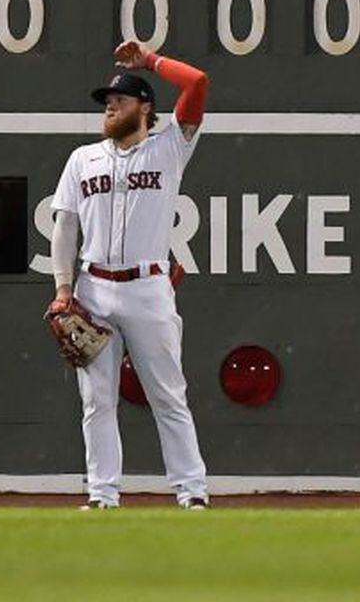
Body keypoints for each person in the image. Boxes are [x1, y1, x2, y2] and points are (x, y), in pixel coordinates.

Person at [48, 39, 210, 510]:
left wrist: (152, 62)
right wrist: (63, 290)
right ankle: (102, 495)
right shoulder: (83, 159)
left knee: (167, 395)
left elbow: (198, 83)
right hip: (93, 288)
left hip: (147, 287)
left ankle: (192, 492)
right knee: (97, 401)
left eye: (119, 100)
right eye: (107, 102)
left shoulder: (170, 147)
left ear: (145, 107)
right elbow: (65, 227)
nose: (110, 107)